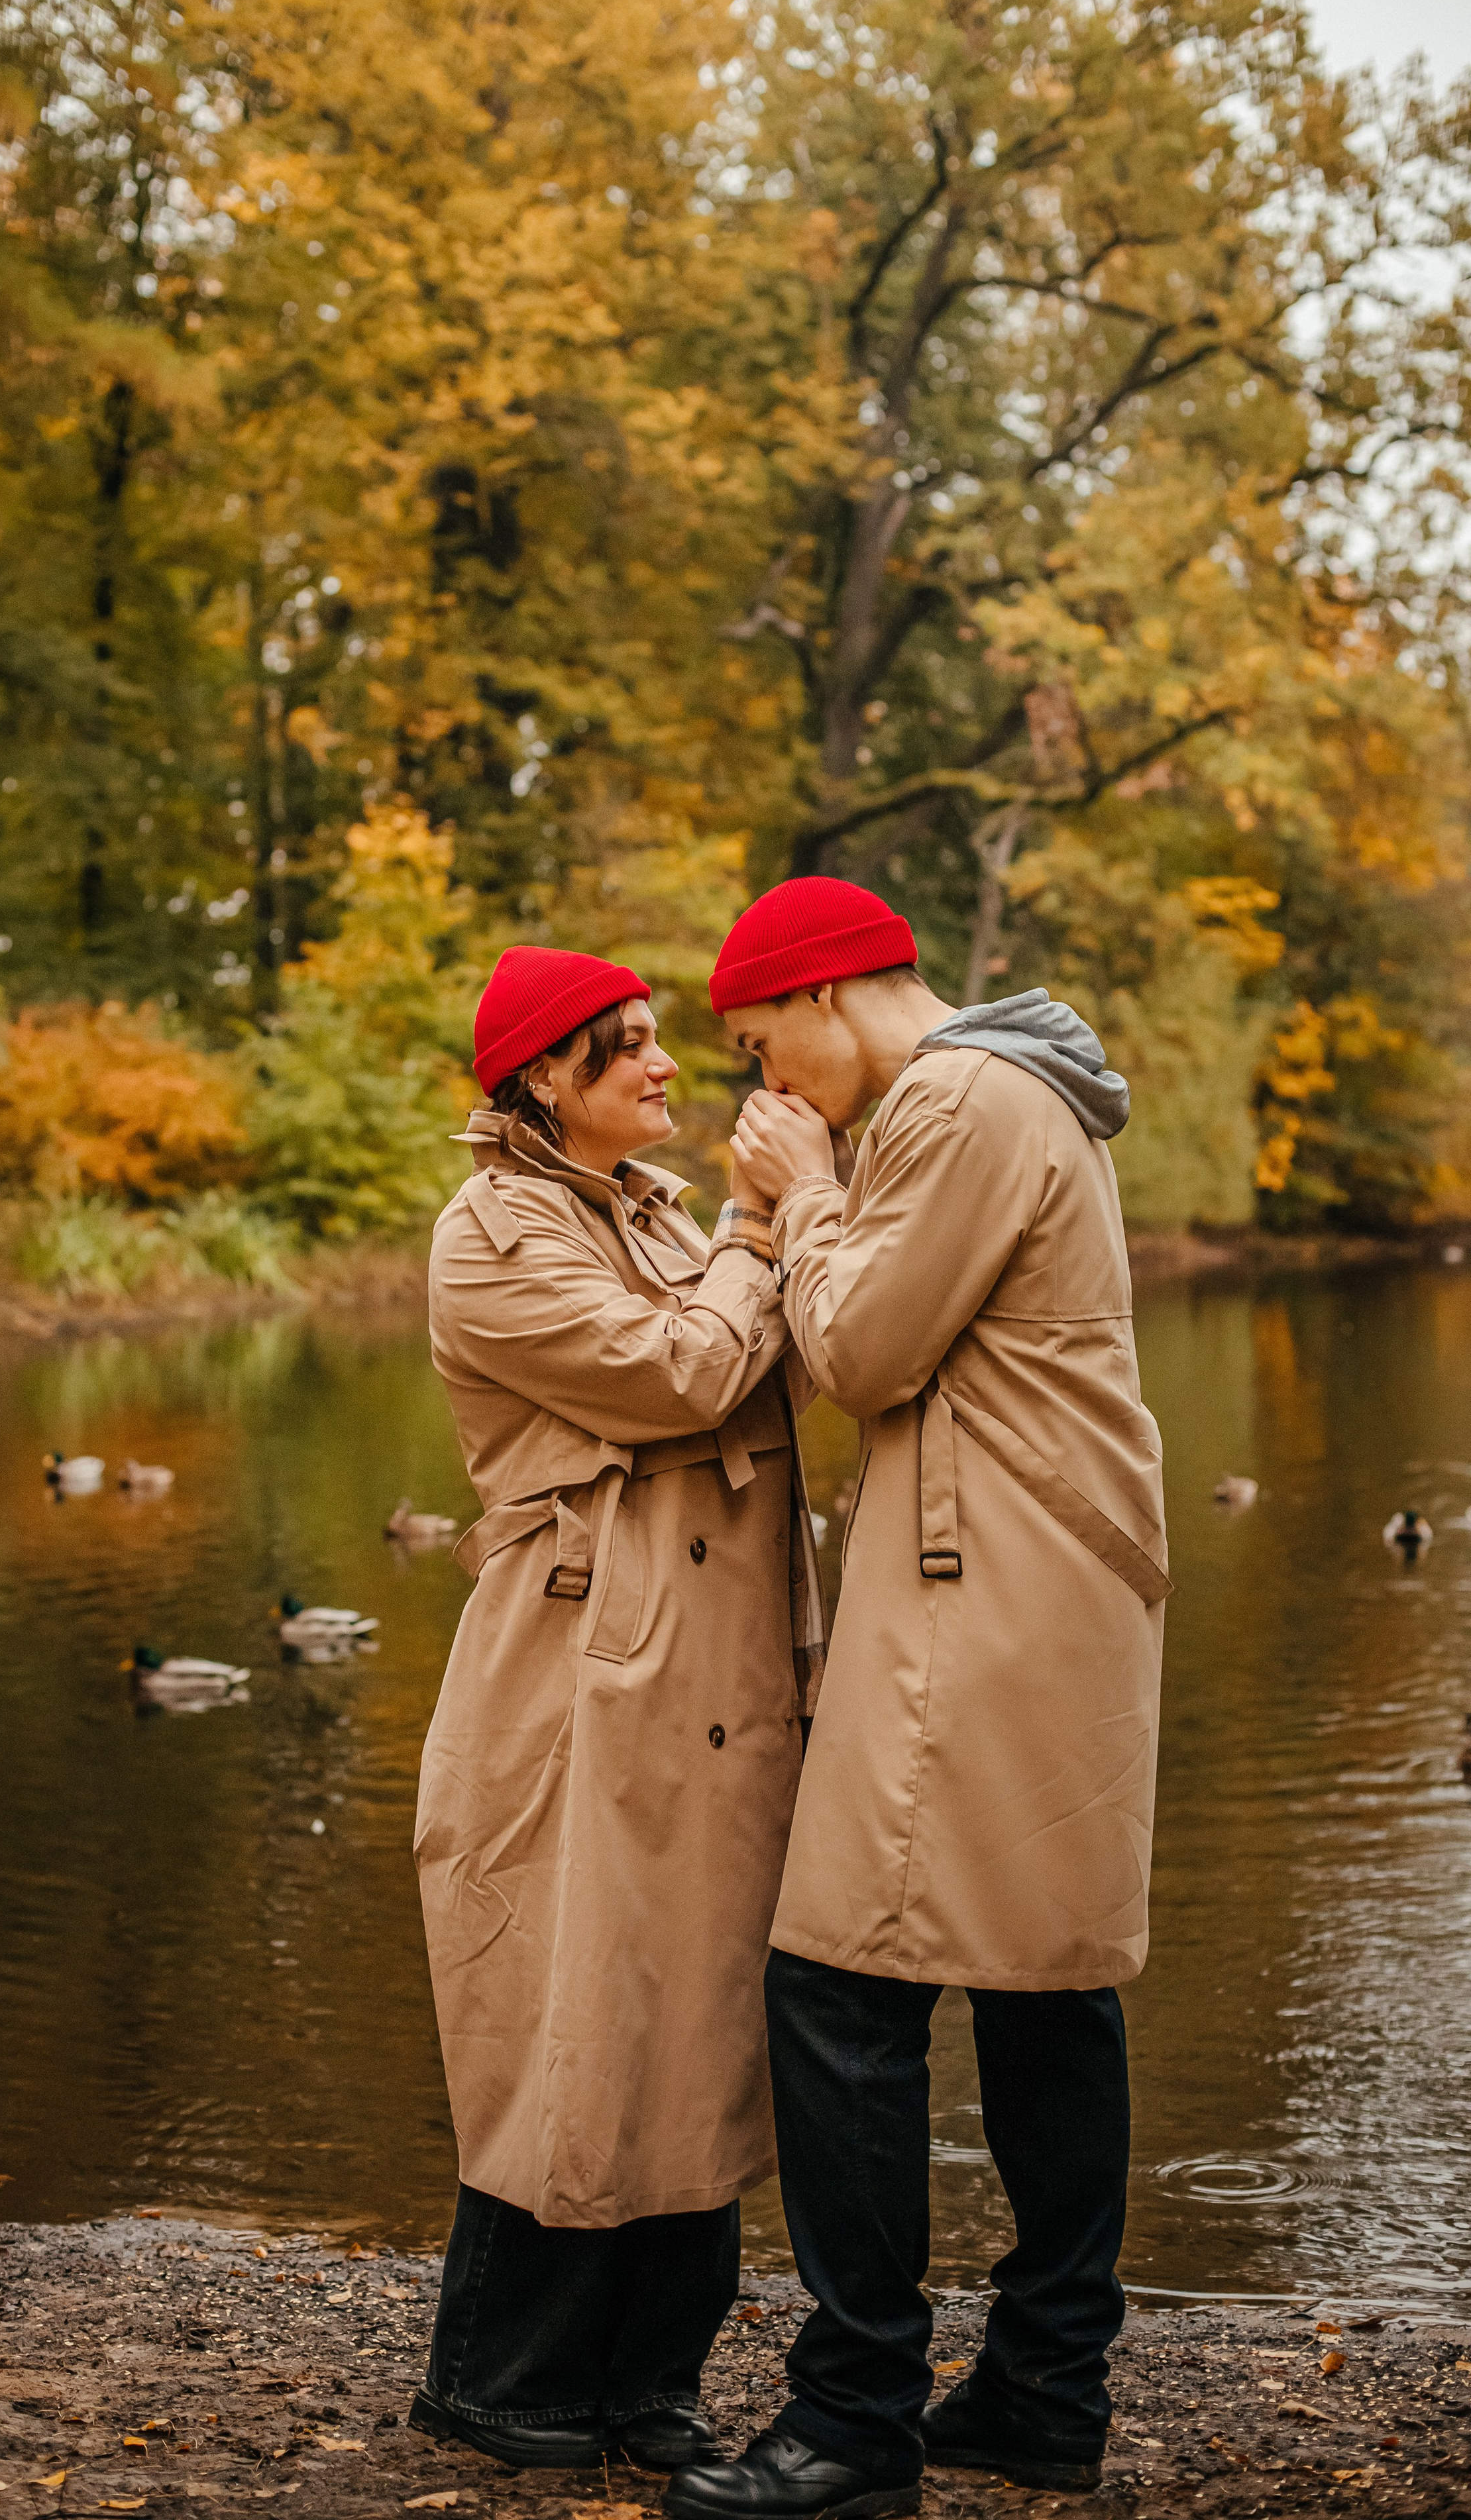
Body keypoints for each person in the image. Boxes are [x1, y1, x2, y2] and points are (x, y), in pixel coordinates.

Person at [668, 879, 1169, 2519]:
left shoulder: (951, 1094)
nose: (763, 1086)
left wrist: (804, 1189)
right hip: (1043, 1575)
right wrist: (805, 1212)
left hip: (983, 1584)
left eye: (761, 1048)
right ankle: (1041, 2387)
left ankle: (856, 2411)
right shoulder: (1022, 1092)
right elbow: (856, 1333)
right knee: (1039, 1987)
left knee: (835, 1985)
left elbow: (865, 1350)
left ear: (824, 997)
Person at [411, 944, 827, 2476]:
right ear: (542, 1079)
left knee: (698, 2016)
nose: (666, 1067)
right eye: (628, 1047)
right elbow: (685, 1373)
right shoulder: (490, 1233)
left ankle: (649, 2380)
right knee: (571, 2012)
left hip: (724, 1670)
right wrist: (758, 1228)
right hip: (582, 1667)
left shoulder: (638, 1212)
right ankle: (500, 2381)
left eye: (659, 1041)